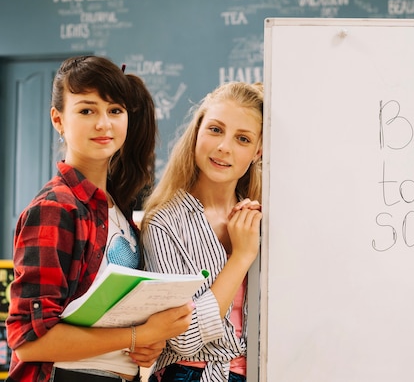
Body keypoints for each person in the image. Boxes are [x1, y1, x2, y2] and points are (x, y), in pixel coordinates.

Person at [6, 55, 195, 382]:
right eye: (86, 110)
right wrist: (137, 336)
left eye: (115, 110)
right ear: (58, 119)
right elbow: (30, 342)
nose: (103, 123)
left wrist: (146, 342)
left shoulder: (116, 210)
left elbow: (120, 320)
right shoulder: (56, 208)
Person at [140, 82, 264, 382]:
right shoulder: (163, 223)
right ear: (197, 132)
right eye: (215, 130)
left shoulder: (264, 220)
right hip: (188, 375)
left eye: (243, 139)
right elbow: (183, 339)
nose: (224, 147)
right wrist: (241, 257)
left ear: (258, 152)